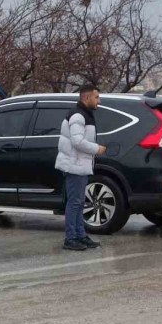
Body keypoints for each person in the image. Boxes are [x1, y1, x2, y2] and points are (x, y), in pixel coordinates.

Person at [55, 85, 107, 251]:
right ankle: (70, 238)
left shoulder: (85, 114)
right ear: (86, 98)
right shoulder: (78, 115)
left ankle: (80, 235)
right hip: (74, 165)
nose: (99, 100)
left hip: (80, 165)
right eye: (96, 97)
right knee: (74, 203)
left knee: (78, 202)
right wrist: (96, 149)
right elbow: (77, 142)